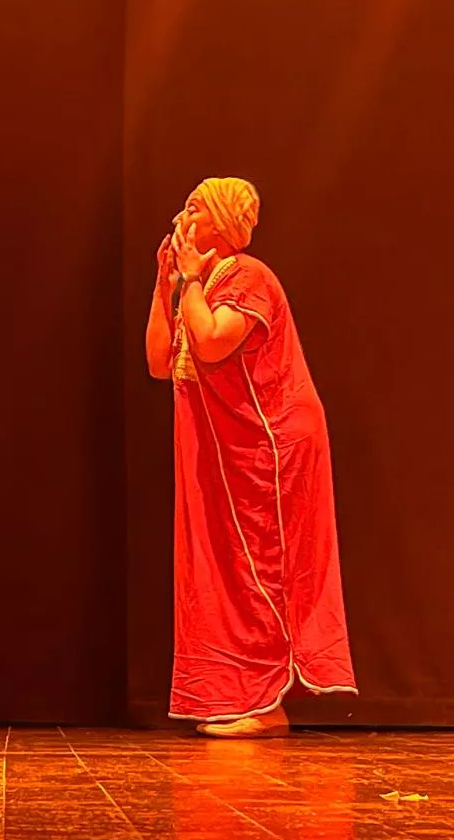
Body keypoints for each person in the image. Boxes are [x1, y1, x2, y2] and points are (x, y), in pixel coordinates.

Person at [145, 177, 357, 737]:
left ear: (221, 222)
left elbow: (214, 340)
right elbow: (159, 361)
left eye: (195, 207)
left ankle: (265, 703)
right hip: (223, 449)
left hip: (270, 445)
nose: (181, 215)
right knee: (218, 567)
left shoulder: (247, 275)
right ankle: (237, 695)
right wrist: (163, 284)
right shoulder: (201, 283)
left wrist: (189, 281)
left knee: (258, 562)